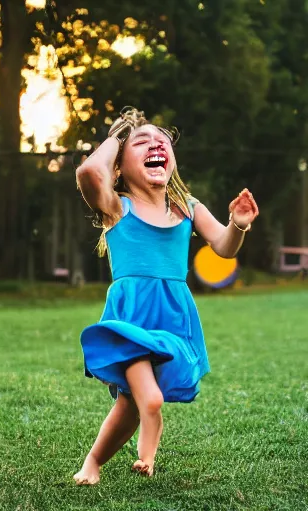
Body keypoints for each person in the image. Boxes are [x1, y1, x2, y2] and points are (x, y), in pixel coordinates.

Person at [74, 107, 259, 484]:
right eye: (141, 142)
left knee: (130, 403)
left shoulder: (187, 208)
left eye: (162, 140)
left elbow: (224, 246)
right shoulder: (116, 208)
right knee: (150, 399)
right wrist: (121, 132)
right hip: (131, 317)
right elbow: (90, 173)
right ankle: (146, 455)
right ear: (121, 166)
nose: (155, 142)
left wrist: (237, 226)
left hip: (172, 318)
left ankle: (94, 462)